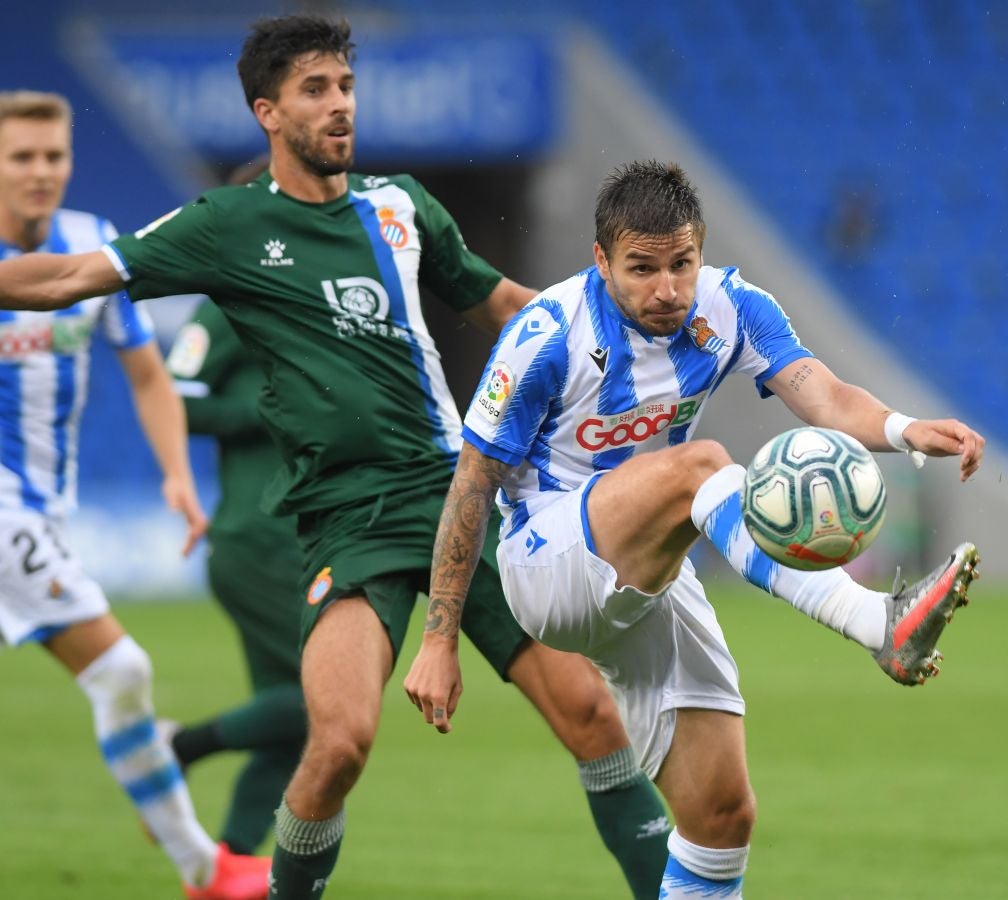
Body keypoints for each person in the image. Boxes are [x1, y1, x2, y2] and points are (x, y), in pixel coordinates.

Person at [0, 17, 669, 899]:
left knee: (589, 712)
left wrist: (616, 332)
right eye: (316, 91)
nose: (340, 106)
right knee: (340, 742)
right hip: (348, 516)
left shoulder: (401, 206)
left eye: (346, 87)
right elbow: (63, 279)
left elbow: (501, 301)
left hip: (453, 488)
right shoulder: (226, 224)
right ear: (267, 112)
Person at [404, 160, 986, 898]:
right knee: (698, 463)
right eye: (642, 269)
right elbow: (470, 490)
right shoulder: (545, 335)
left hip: (650, 566)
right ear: (601, 262)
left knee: (720, 814)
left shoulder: (730, 306)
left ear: (700, 251)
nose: (667, 289)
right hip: (545, 562)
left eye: (682, 264)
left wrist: (905, 430)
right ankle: (877, 622)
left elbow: (826, 396)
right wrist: (437, 639)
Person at [0, 90, 271, 899]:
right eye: (21, 157)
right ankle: (203, 868)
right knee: (120, 667)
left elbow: (149, 374)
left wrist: (178, 479)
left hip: (44, 504)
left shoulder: (90, 248)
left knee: (116, 678)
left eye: (53, 155)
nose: (41, 172)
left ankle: (201, 865)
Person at [164, 289, 308, 855]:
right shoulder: (230, 303)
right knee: (327, 701)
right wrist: (266, 413)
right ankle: (177, 747)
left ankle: (228, 865)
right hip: (256, 540)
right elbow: (174, 396)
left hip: (306, 540)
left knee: (292, 728)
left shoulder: (322, 298)